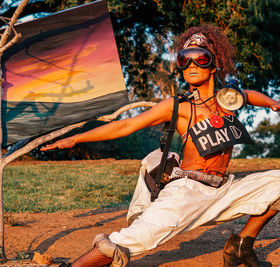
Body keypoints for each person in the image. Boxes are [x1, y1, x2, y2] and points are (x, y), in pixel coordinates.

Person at [41, 24, 280, 267]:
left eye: (200, 58)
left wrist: (273, 103)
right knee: (127, 243)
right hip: (189, 190)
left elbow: (250, 95)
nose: (192, 65)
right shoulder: (179, 106)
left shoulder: (227, 100)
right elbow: (126, 126)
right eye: (184, 60)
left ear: (214, 64)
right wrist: (76, 138)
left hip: (224, 188)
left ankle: (241, 245)